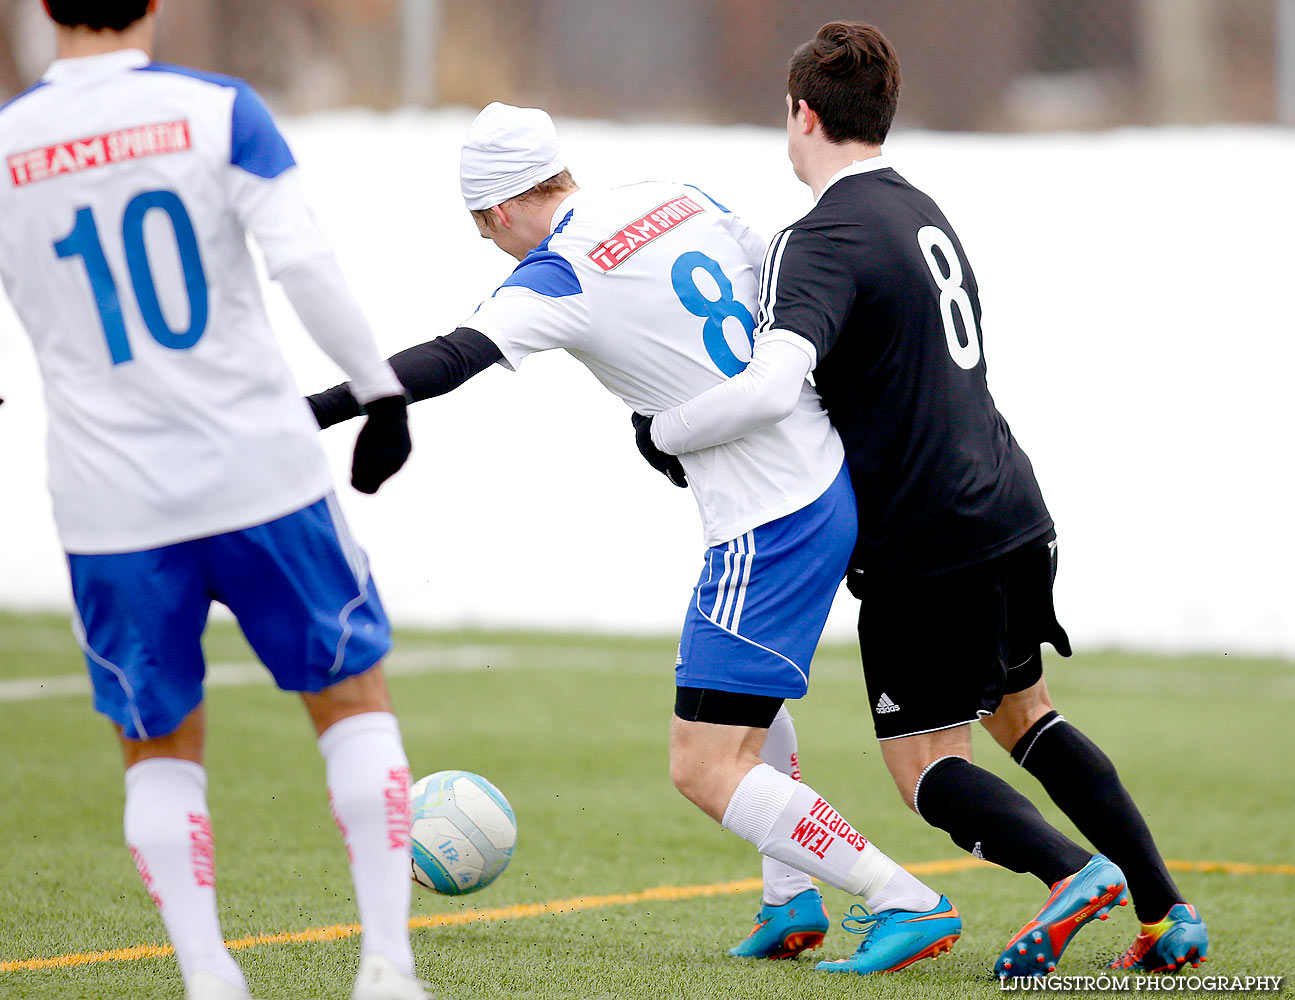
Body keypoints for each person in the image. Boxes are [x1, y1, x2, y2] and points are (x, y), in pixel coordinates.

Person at [308, 101, 963, 973]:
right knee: (746, 714)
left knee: (702, 762)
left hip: (767, 523)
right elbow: (778, 271)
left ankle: (901, 899)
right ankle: (788, 900)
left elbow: (452, 354)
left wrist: (312, 410)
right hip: (817, 476)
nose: (492, 247)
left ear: (499, 210)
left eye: (483, 229)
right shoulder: (674, 194)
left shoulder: (555, 275)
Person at [638, 21, 1209, 979]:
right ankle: (1168, 914)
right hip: (1011, 507)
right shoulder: (919, 209)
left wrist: (666, 431)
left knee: (926, 768)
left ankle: (1075, 874)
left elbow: (778, 388)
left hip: (924, 538)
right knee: (1027, 716)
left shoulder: (818, 240)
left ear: (801, 114)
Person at [0, 3, 427, 999]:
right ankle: (385, 968)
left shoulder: (7, 144)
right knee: (352, 700)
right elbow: (302, 264)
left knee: (156, 741)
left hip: (112, 503)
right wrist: (377, 389)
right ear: (152, 2)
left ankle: (207, 975)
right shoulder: (216, 112)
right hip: (260, 473)